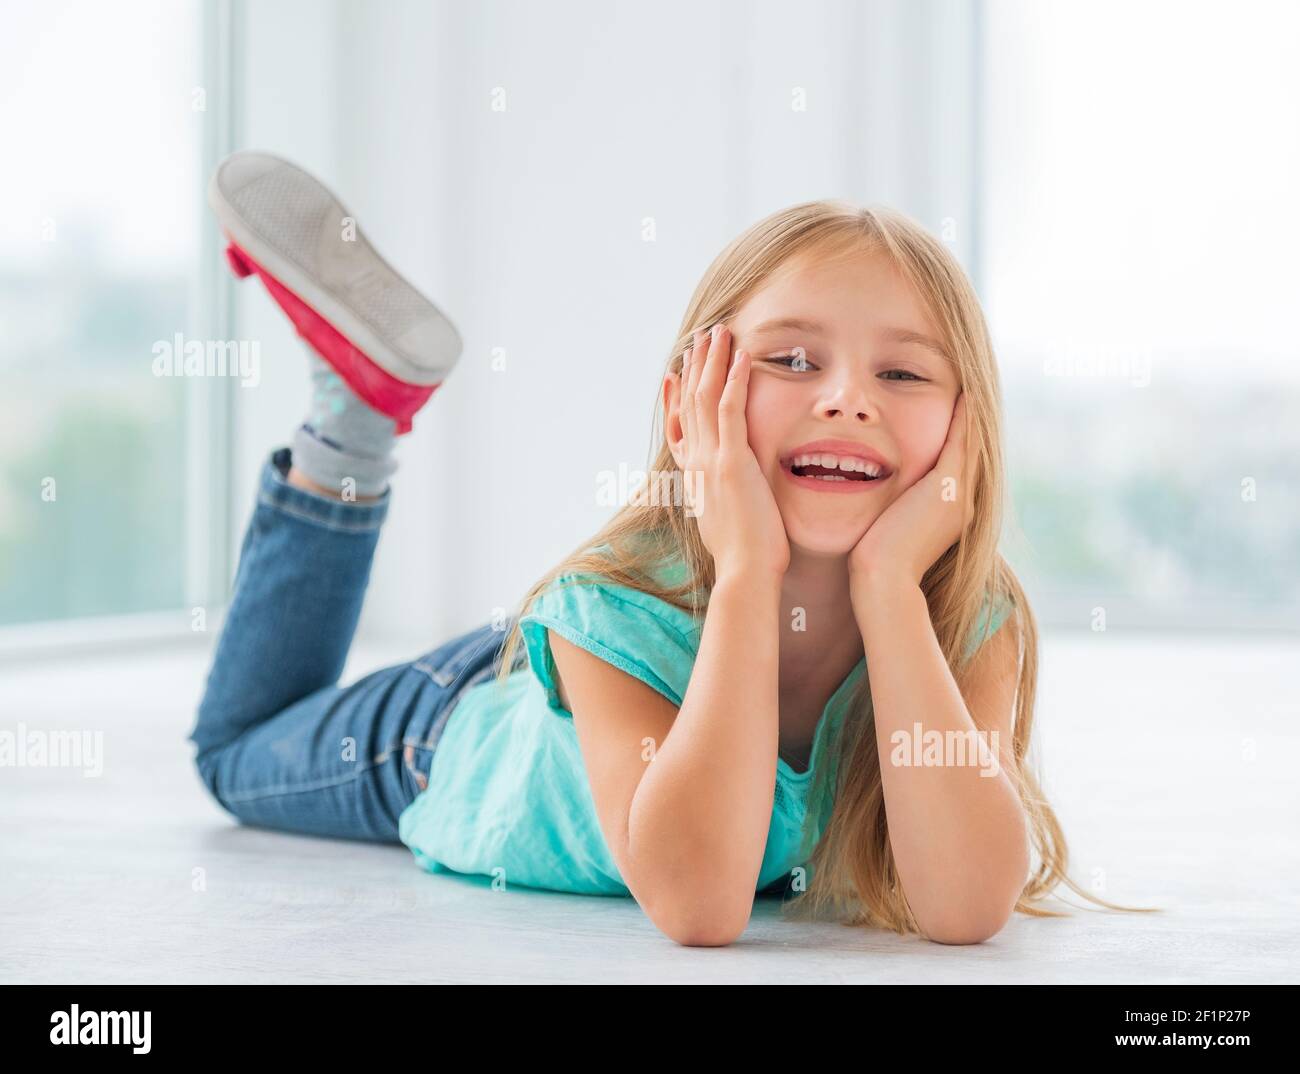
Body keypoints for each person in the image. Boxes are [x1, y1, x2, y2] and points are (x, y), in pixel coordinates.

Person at [189, 150, 1150, 948]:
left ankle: (358, 410)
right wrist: (747, 572)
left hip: (609, 640)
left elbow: (964, 907)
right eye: (792, 359)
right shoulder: (608, 609)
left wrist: (890, 590)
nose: (847, 398)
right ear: (694, 404)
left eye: (901, 372)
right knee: (236, 756)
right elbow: (697, 904)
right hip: (462, 727)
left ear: (966, 430)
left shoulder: (966, 619)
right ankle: (353, 429)